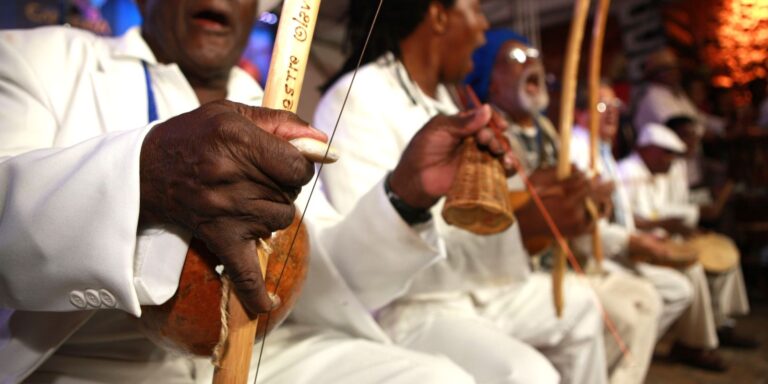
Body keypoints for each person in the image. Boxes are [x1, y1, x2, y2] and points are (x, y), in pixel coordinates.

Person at [0, 0, 514, 382]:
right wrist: (146, 175)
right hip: (89, 363)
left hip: (264, 353)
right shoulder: (37, 60)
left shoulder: (265, 105)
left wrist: (406, 193)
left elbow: (330, 287)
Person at [316, 5, 608, 383]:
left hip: (472, 290)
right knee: (528, 374)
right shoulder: (359, 95)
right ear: (437, 15)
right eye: (475, 9)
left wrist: (547, 191)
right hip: (408, 308)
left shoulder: (446, 101)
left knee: (585, 307)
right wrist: (520, 229)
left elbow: (492, 197)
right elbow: (367, 264)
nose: (485, 28)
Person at [468, 30, 664, 384]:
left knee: (647, 298)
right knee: (618, 314)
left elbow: (568, 202)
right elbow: (509, 213)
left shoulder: (546, 129)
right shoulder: (487, 132)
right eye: (514, 60)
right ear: (491, 83)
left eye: (533, 56)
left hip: (569, 259)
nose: (532, 63)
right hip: (523, 270)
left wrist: (592, 203)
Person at [617, 123, 754, 371]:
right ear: (649, 150)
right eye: (666, 152)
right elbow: (629, 219)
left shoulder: (658, 170)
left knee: (724, 252)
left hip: (660, 240)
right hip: (637, 247)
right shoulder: (627, 171)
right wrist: (667, 227)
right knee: (692, 269)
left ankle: (720, 325)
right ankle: (694, 343)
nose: (672, 158)